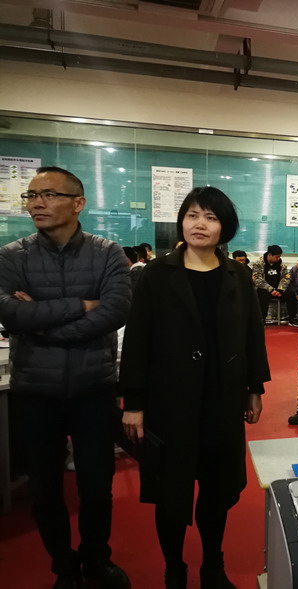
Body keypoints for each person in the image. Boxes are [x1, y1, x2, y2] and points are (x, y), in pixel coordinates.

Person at [120, 186, 269, 589]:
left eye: (211, 217)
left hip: (222, 400)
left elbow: (252, 334)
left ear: (225, 228)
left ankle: (212, 567)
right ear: (181, 222)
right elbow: (137, 339)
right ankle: (174, 569)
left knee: (217, 491)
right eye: (192, 215)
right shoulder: (157, 274)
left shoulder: (237, 275)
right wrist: (134, 402)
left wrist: (254, 387)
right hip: (170, 402)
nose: (200, 224)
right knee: (171, 492)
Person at [0, 166, 132, 589]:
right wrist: (81, 305)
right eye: (31, 195)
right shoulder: (12, 255)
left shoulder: (107, 253)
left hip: (93, 388)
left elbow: (114, 311)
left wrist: (40, 324)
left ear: (78, 203)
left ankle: (96, 559)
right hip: (35, 390)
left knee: (97, 486)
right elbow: (9, 313)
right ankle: (64, 568)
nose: (36, 203)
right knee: (44, 490)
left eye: (49, 194)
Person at [252, 245, 297, 324]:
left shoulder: (281, 264)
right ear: (270, 255)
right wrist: (271, 290)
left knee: (291, 293)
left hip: (278, 288)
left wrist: (280, 289)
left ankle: (292, 318)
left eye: (279, 256)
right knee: (262, 294)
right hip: (266, 288)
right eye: (277, 257)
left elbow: (286, 277)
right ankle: (262, 319)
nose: (278, 258)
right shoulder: (258, 264)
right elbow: (257, 279)